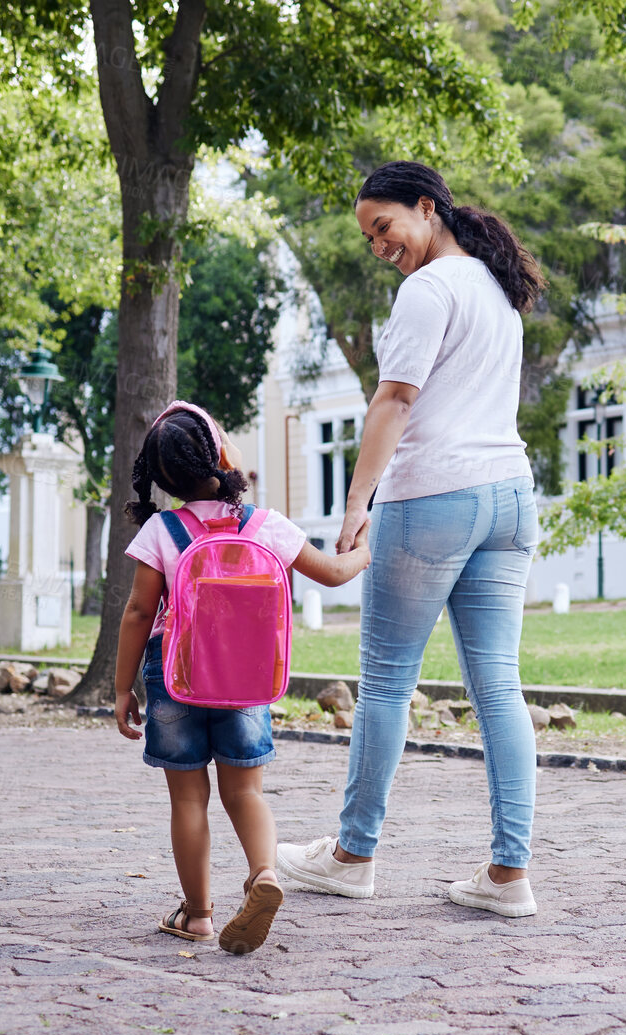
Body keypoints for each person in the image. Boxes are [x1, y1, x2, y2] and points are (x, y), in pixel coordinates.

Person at [276, 160, 546, 918]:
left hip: (433, 496)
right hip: (508, 498)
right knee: (499, 684)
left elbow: (394, 400)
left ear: (426, 208)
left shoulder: (429, 290)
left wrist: (356, 501)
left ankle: (351, 854)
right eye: (367, 237)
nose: (377, 246)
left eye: (384, 227)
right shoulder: (497, 291)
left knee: (387, 679)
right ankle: (507, 875)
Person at [114, 401, 370, 954]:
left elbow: (138, 612)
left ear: (160, 477)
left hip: (175, 678)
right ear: (221, 454)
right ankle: (263, 874)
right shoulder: (263, 524)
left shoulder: (162, 530)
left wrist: (120, 688)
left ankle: (198, 915)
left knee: (188, 799)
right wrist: (364, 552)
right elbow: (331, 573)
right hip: (246, 680)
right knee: (245, 790)